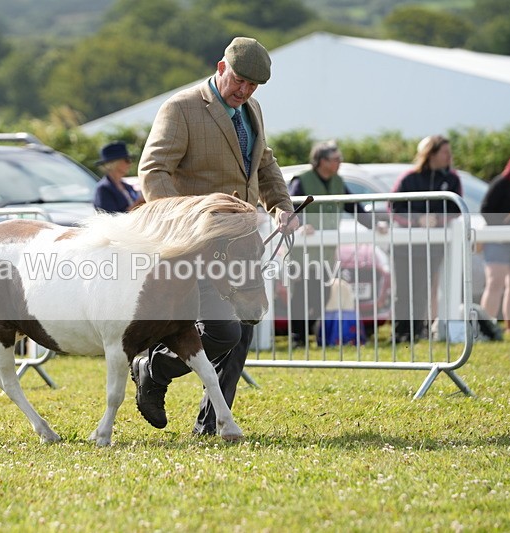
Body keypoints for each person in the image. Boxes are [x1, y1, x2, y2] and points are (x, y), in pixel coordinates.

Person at [132, 36, 299, 435]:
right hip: (197, 242)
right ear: (221, 67)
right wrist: (184, 222)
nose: (244, 91)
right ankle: (152, 368)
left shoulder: (252, 109)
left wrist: (282, 206)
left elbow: (264, 162)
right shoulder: (181, 108)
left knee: (243, 325)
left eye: (253, 86)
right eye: (239, 80)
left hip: (241, 241)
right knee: (223, 329)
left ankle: (210, 424)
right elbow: (153, 170)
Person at [287, 140, 377, 347]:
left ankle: (308, 334)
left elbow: (354, 208)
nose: (340, 162)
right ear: (322, 161)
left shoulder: (338, 181)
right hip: (303, 251)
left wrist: (376, 225)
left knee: (323, 292)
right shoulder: (302, 180)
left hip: (327, 252)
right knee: (303, 292)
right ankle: (296, 337)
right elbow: (290, 207)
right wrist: (301, 225)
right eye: (336, 159)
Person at [390, 134, 463, 343]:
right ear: (430, 154)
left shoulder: (452, 179)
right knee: (403, 290)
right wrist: (418, 220)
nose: (450, 156)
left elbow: (456, 209)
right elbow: (394, 208)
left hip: (433, 247)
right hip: (405, 247)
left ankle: (416, 332)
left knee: (422, 290)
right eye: (445, 152)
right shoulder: (408, 178)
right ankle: (400, 333)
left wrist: (438, 220)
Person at [479, 148, 510, 334]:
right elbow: (486, 210)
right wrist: (504, 228)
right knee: (495, 282)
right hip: (497, 239)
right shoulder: (502, 183)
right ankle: (486, 326)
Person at [93, 141, 144, 213]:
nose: (130, 163)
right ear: (114, 163)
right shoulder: (103, 189)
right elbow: (109, 218)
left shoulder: (127, 186)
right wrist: (138, 203)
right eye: (127, 160)